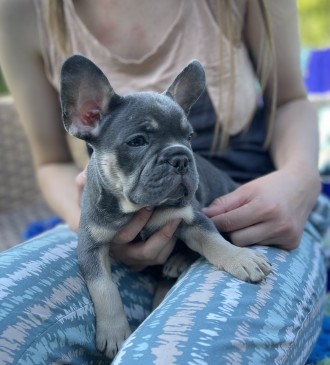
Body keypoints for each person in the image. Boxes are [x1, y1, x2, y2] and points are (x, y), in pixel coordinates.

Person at [0, 0, 328, 364]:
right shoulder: (22, 11)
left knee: (180, 353)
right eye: (139, 141)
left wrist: (299, 180)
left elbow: (290, 101)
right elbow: (52, 162)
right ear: (85, 117)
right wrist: (96, 228)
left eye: (184, 139)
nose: (177, 157)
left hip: (255, 218)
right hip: (115, 219)